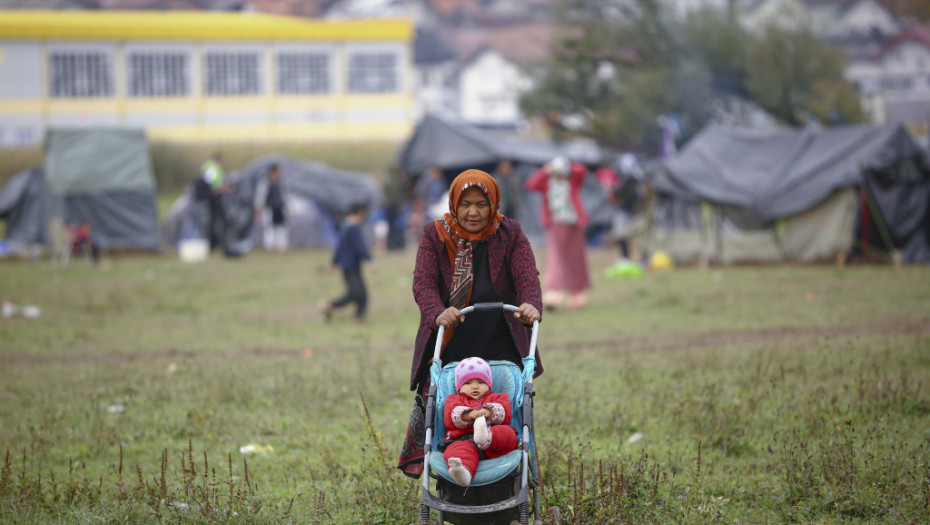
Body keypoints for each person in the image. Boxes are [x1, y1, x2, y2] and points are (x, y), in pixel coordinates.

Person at [397, 168, 543, 478]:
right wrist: (438, 311)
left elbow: (527, 275)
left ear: (493, 205)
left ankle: (509, 472)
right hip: (452, 342)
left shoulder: (510, 233)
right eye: (465, 204)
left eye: (481, 204)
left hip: (501, 339)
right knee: (448, 411)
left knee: (504, 409)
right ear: (453, 204)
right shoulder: (434, 235)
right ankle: (453, 466)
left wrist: (530, 304)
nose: (473, 212)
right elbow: (422, 282)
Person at [525, 156, 591, 310]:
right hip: (555, 224)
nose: (560, 175)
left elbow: (582, 170)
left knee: (575, 259)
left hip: (573, 224)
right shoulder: (548, 183)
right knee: (556, 258)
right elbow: (531, 184)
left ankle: (577, 295)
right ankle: (554, 294)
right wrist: (546, 170)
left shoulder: (573, 181)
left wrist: (565, 166)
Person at [442, 357, 517, 487]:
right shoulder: (454, 399)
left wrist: (489, 413)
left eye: (481, 382)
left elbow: (505, 413)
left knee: (509, 433)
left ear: (489, 385)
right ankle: (463, 472)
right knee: (456, 451)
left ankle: (484, 435)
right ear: (459, 387)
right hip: (464, 440)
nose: (475, 386)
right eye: (468, 383)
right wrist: (468, 415)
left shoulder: (497, 397)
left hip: (494, 441)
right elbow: (451, 416)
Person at [323, 203, 373, 324]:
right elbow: (360, 247)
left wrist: (333, 263)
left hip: (347, 265)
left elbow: (339, 248)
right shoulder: (353, 227)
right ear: (361, 212)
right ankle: (331, 305)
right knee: (356, 293)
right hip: (351, 266)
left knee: (362, 293)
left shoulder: (345, 226)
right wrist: (370, 260)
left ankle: (358, 317)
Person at [254, 163, 288, 254]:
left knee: (281, 228)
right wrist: (259, 208)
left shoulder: (280, 182)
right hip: (269, 208)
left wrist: (286, 205)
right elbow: (260, 196)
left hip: (279, 208)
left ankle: (281, 247)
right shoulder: (265, 182)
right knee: (269, 229)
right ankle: (270, 247)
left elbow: (284, 195)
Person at [201, 152, 231, 251]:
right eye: (223, 160)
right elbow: (208, 185)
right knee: (217, 221)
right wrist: (224, 189)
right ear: (218, 160)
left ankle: (216, 243)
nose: (224, 163)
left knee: (216, 221)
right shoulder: (212, 169)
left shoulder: (213, 168)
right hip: (213, 199)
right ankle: (215, 244)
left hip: (215, 197)